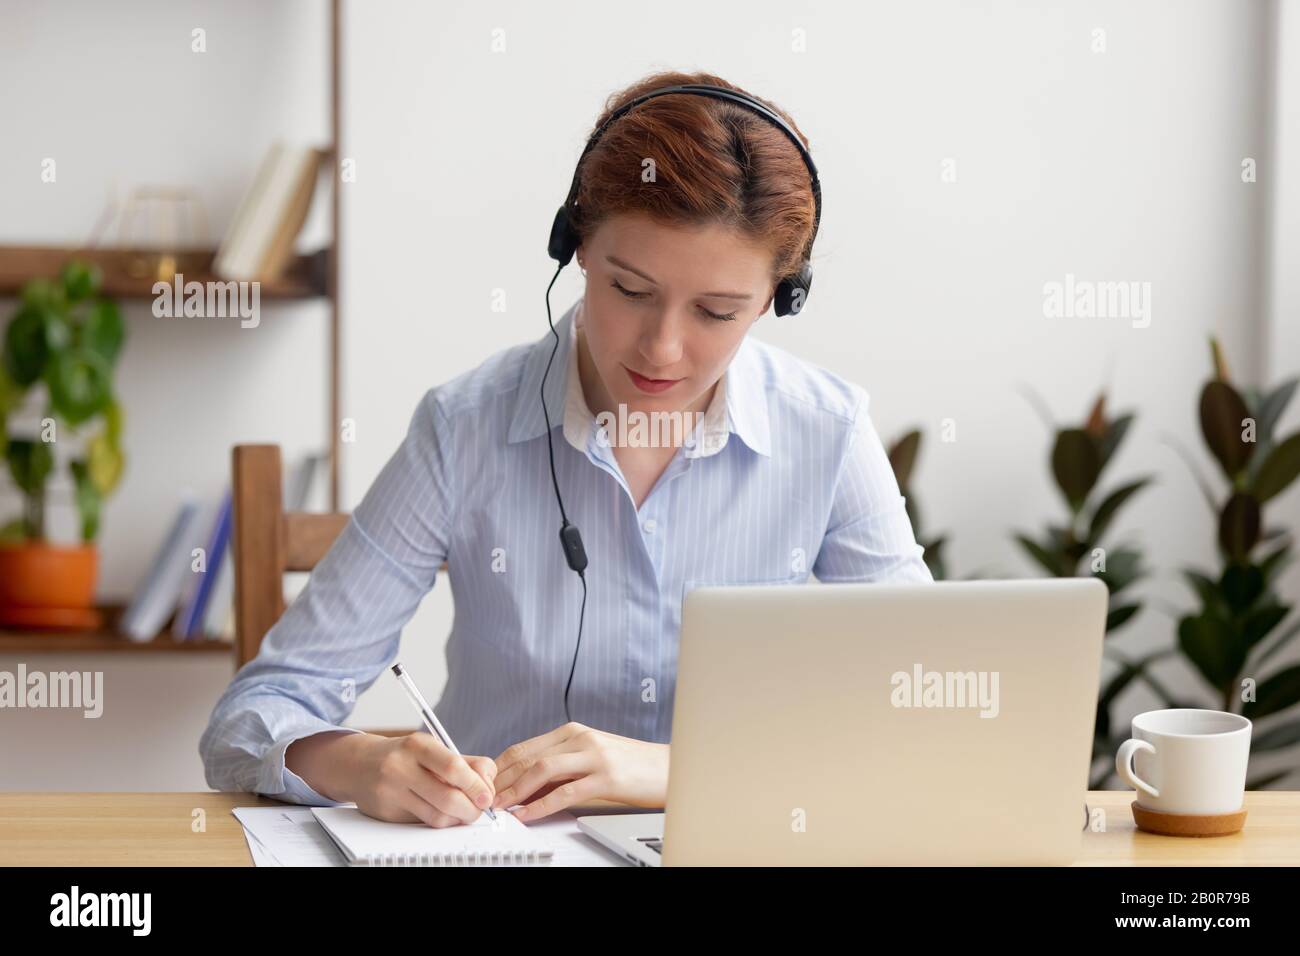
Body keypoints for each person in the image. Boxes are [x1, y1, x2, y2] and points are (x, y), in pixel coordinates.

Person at [200, 69, 933, 829]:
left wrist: (667, 771)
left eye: (717, 311)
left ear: (781, 297)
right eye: (630, 290)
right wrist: (356, 761)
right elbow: (251, 718)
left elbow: (926, 708)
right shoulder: (465, 427)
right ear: (575, 246)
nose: (663, 348)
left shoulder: (828, 431)